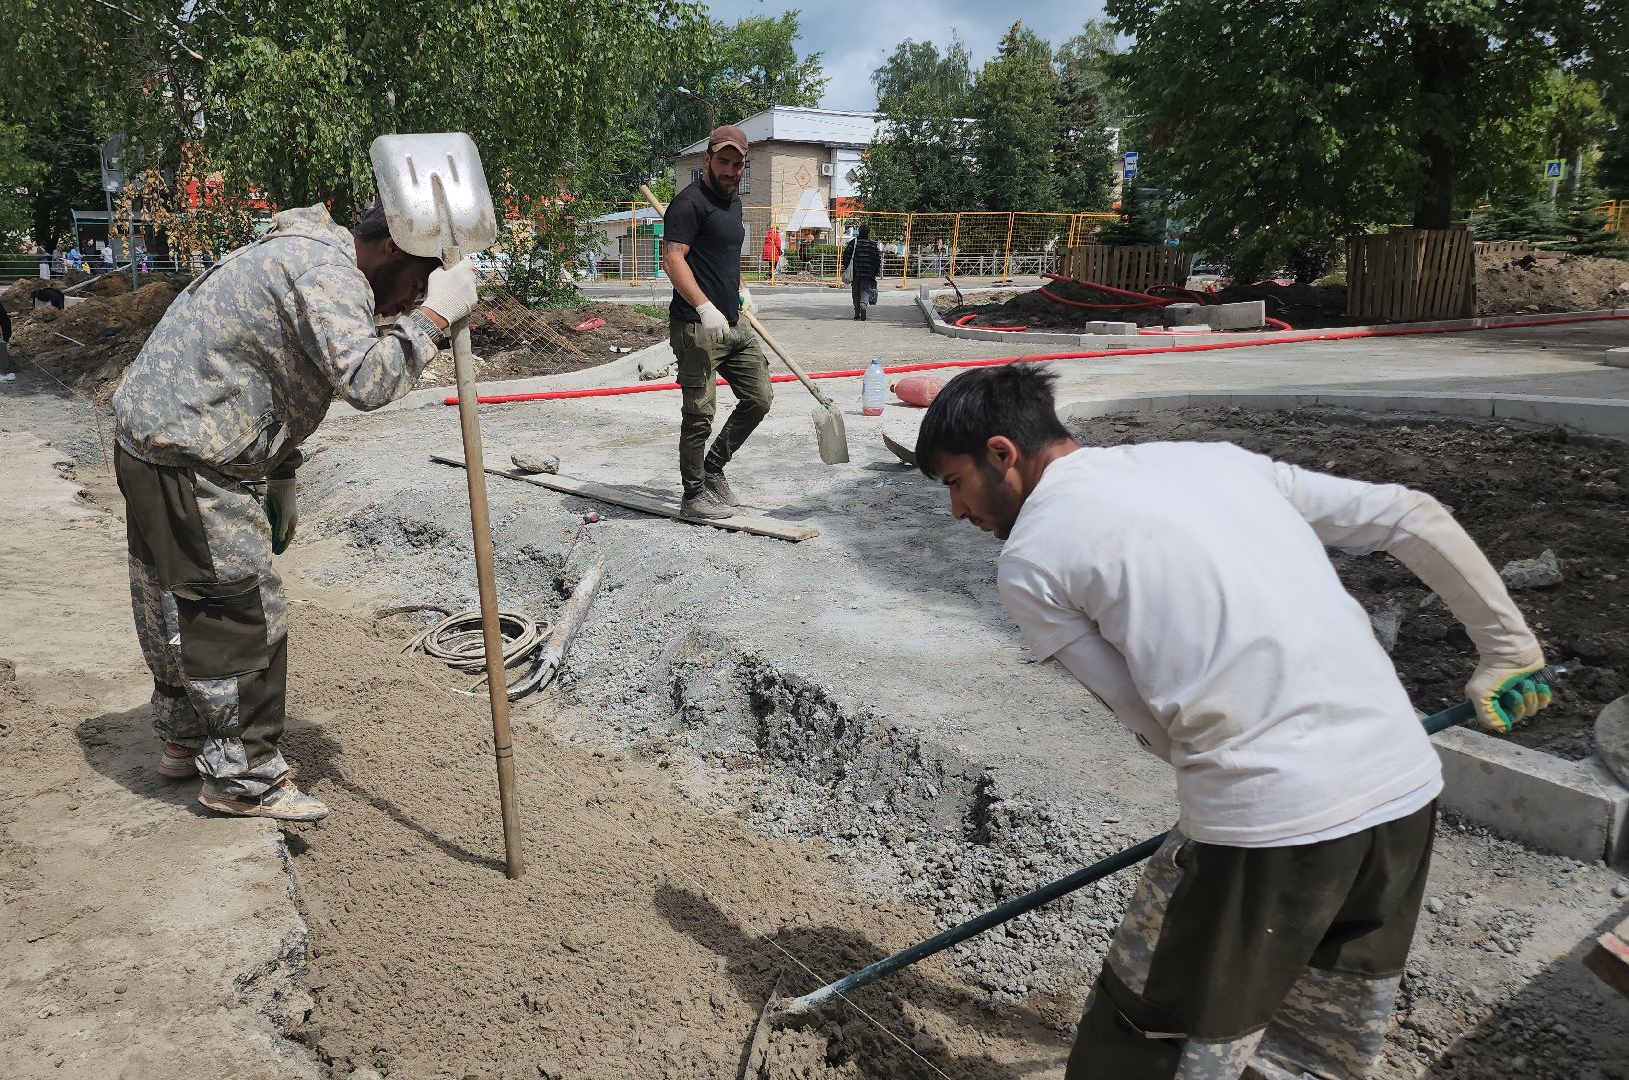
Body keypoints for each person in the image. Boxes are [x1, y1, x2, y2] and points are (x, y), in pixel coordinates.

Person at [914, 365, 1553, 1079]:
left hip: (1266, 827)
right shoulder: (1212, 461)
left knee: (1147, 1043)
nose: (957, 511)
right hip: (1403, 794)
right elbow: (1410, 515)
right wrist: (1508, 649)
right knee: (1313, 1047)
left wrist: (1225, 799)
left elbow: (1145, 717)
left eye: (954, 482)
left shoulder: (1032, 558)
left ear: (1002, 453)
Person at [111, 200, 477, 822]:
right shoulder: (325, 272)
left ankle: (185, 736)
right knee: (238, 610)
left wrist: (282, 471)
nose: (407, 301)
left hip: (161, 441)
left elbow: (272, 365)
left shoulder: (305, 257)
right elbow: (366, 380)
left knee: (175, 595)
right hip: (192, 453)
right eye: (417, 282)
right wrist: (435, 316)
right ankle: (244, 777)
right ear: (392, 247)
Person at [660, 124, 772, 521]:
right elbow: (673, 259)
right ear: (707, 159)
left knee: (759, 398)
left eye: (737, 165)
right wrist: (705, 307)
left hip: (734, 322)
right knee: (699, 414)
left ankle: (713, 468)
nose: (729, 170)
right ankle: (693, 496)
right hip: (696, 326)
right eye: (722, 161)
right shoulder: (688, 204)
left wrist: (741, 288)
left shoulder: (734, 204)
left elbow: (725, 255)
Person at [842, 224, 881, 321]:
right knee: (866, 290)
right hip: (868, 273)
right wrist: (874, 272)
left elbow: (846, 256)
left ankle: (857, 312)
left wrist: (848, 268)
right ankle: (863, 305)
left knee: (856, 292)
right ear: (868, 233)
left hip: (855, 272)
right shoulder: (872, 245)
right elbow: (877, 260)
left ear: (859, 232)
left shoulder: (853, 243)